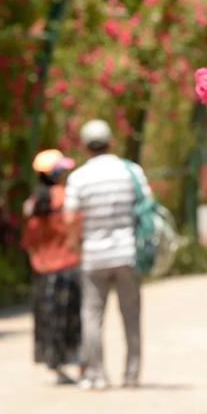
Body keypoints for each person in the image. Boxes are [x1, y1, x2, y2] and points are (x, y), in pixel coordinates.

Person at [63, 119, 153, 390]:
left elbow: (69, 218)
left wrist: (77, 245)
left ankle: (98, 375)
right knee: (131, 315)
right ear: (110, 141)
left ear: (84, 145)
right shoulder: (131, 171)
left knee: (91, 316)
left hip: (93, 255)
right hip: (127, 253)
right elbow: (147, 206)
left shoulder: (79, 177)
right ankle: (132, 374)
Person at [21, 149, 81, 385]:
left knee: (48, 317)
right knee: (70, 316)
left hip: (42, 269)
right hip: (67, 265)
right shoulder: (66, 199)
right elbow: (76, 229)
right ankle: (74, 361)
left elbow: (28, 241)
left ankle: (55, 365)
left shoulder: (32, 204)